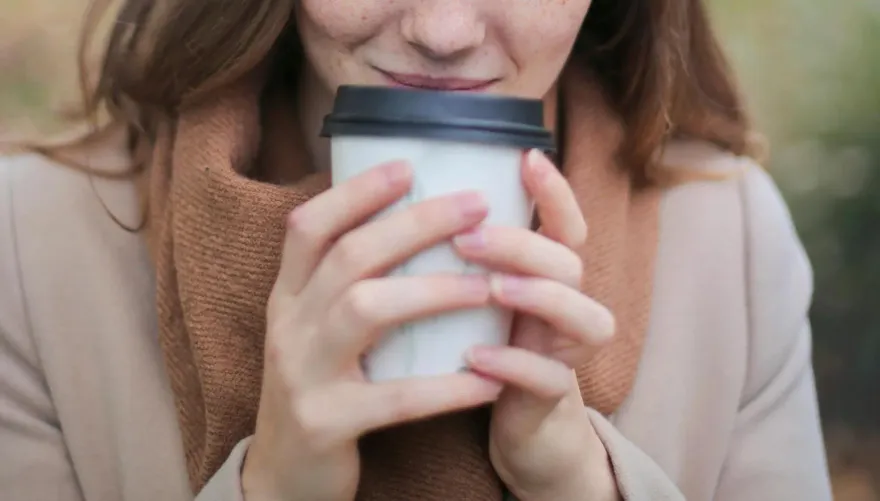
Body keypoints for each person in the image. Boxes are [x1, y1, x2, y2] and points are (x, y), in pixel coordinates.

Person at [0, 0, 834, 500]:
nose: (442, 30)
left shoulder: (728, 239)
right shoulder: (35, 246)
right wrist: (276, 486)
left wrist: (577, 479)